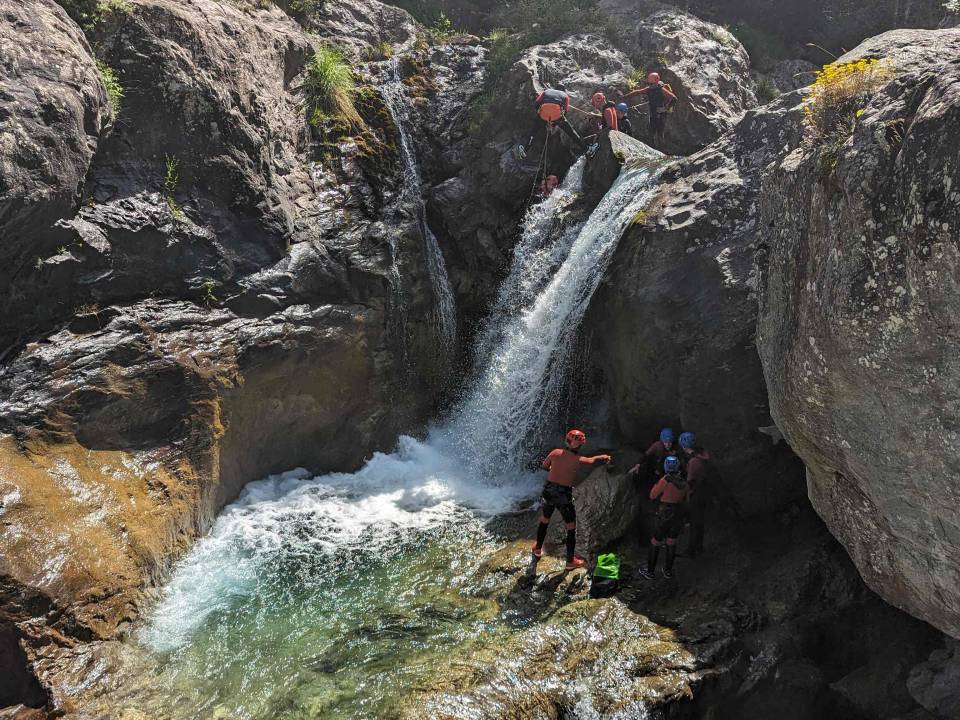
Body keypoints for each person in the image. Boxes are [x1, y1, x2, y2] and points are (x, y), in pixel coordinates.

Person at [532, 429, 612, 570]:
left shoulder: (555, 452)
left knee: (545, 519)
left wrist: (556, 469)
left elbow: (545, 466)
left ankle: (537, 548)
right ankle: (570, 562)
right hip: (563, 495)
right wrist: (603, 457)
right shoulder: (578, 460)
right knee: (571, 528)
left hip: (549, 491)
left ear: (566, 441)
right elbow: (592, 460)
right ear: (581, 445)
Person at [638, 455, 688, 579]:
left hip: (665, 513)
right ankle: (668, 571)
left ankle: (650, 572)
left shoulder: (665, 480)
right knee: (671, 542)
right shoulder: (685, 483)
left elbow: (652, 495)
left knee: (655, 542)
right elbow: (687, 500)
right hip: (678, 514)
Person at [517, 88, 595, 160]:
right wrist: (554, 122)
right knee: (571, 132)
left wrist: (540, 114)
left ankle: (525, 150)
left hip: (543, 114)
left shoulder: (546, 91)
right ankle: (586, 149)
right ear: (563, 90)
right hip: (556, 115)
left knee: (533, 132)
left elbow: (537, 103)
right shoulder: (565, 96)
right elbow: (565, 111)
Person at [618, 72, 677, 146]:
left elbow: (674, 98)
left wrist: (665, 108)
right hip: (653, 115)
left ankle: (663, 152)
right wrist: (624, 96)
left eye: (651, 84)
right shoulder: (649, 89)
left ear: (656, 82)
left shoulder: (661, 89)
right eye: (649, 84)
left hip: (661, 116)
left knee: (660, 134)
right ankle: (653, 150)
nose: (650, 86)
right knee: (651, 133)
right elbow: (637, 92)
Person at [678, 431, 712, 557]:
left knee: (694, 523)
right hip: (704, 492)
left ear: (684, 446)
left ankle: (691, 550)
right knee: (700, 521)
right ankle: (699, 547)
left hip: (696, 494)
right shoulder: (702, 454)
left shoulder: (693, 462)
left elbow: (689, 482)